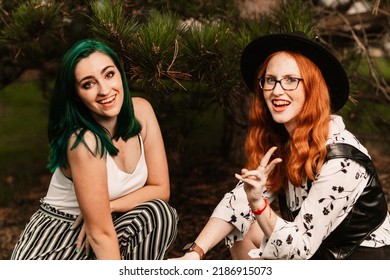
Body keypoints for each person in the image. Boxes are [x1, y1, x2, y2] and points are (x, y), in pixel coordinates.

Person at [175, 31, 390, 260]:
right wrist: (195, 253)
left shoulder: (342, 159)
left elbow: (299, 249)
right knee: (244, 228)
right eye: (270, 80)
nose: (277, 90)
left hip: (360, 262)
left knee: (259, 219)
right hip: (317, 252)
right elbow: (237, 202)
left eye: (291, 80)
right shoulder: (284, 142)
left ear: (313, 89)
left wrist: (258, 204)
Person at [11, 39, 178, 260]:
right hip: (61, 241)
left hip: (105, 227)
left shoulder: (142, 111)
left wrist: (108, 207)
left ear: (120, 74)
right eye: (88, 84)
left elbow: (160, 188)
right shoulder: (84, 141)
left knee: (158, 214)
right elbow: (99, 234)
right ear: (76, 95)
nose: (104, 90)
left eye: (109, 75)